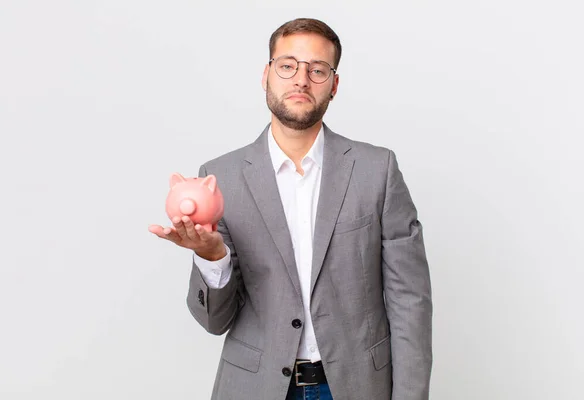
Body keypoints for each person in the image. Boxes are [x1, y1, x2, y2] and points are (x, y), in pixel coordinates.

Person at [149, 17, 432, 400]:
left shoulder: (377, 170)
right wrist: (212, 257)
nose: (301, 79)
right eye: (287, 66)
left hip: (356, 386)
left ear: (334, 86)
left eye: (317, 70)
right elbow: (215, 321)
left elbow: (409, 302)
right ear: (266, 75)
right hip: (255, 387)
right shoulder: (220, 178)